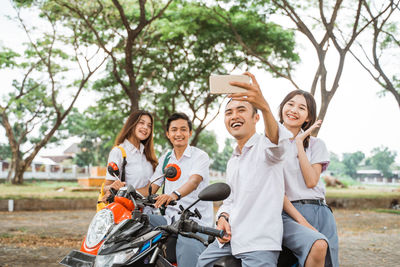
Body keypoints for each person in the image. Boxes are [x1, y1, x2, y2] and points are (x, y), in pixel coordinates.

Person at [197, 72, 292, 267]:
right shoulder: (233, 160)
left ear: (256, 117)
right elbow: (230, 200)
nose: (234, 116)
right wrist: (222, 218)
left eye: (241, 110)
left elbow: (278, 144)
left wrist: (264, 105)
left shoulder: (266, 148)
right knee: (201, 263)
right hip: (230, 240)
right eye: (229, 112)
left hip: (259, 242)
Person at [280, 90, 339, 267]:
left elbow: (311, 181)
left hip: (322, 212)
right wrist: (301, 221)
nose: (294, 110)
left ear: (308, 117)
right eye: (290, 104)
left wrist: (299, 143)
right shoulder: (270, 145)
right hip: (290, 212)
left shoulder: (316, 144)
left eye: (301, 108)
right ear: (282, 107)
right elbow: (274, 189)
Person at [148, 112, 213, 267]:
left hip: (194, 223)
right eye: (174, 130)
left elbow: (194, 181)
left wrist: (173, 195)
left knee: (187, 250)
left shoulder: (200, 156)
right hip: (170, 220)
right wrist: (124, 190)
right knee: (138, 224)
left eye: (183, 129)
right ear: (168, 134)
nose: (179, 134)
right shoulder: (166, 158)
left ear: (190, 133)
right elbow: (151, 187)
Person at [102, 110, 158, 200]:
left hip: (148, 210)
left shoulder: (148, 155)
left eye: (149, 125)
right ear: (132, 124)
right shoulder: (118, 152)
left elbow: (150, 189)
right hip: (127, 211)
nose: (146, 127)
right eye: (141, 123)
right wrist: (112, 187)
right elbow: (106, 187)